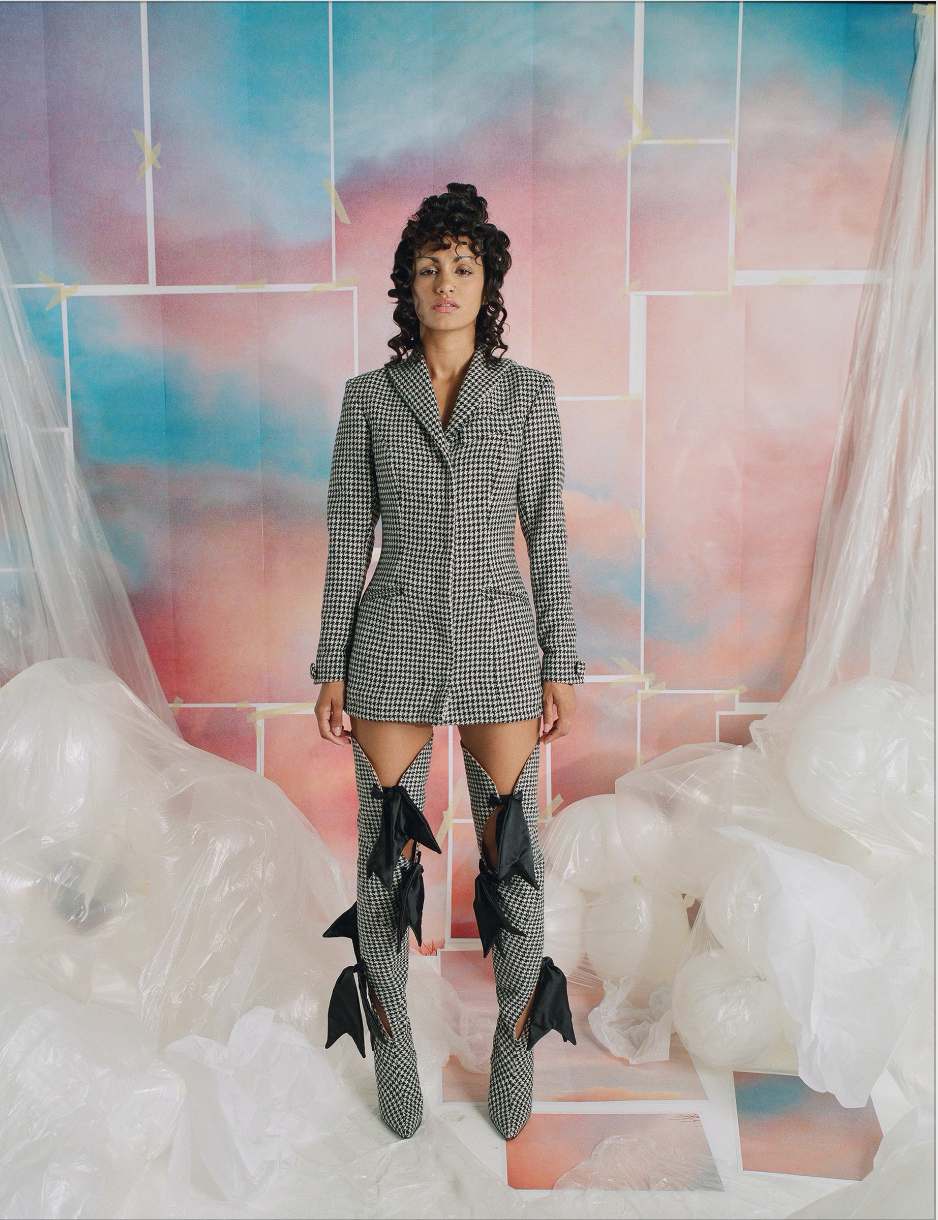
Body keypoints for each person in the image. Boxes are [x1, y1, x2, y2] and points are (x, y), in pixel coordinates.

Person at [311, 182, 584, 1141]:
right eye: (429, 267)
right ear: (408, 285)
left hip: (503, 644)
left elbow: (546, 533)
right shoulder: (368, 399)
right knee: (383, 865)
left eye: (463, 266)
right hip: (390, 643)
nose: (445, 283)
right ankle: (393, 1050)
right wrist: (331, 662)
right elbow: (349, 540)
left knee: (515, 857)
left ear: (486, 282)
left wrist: (560, 658)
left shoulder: (529, 396)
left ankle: (513, 1041)